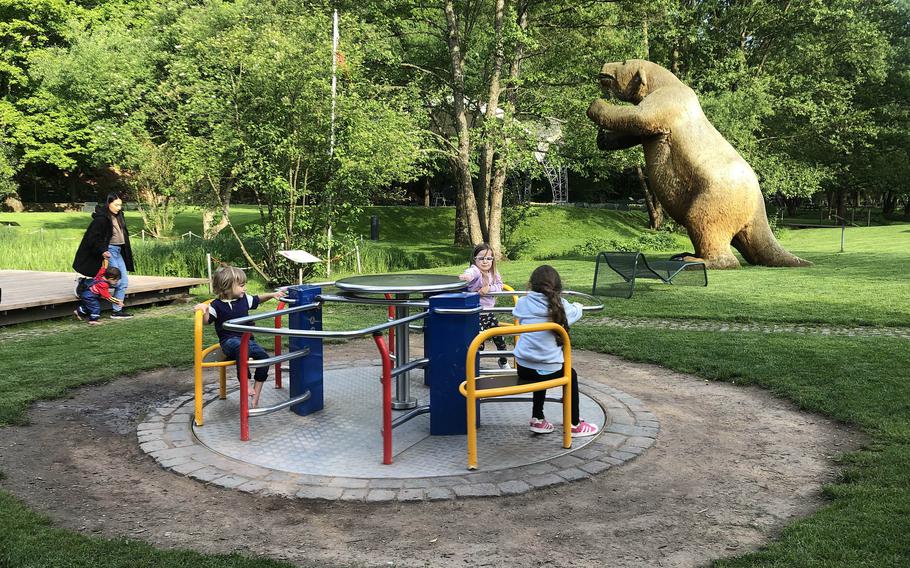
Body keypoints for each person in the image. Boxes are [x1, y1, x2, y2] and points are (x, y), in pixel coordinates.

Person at [511, 265, 599, 437]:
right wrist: (579, 305)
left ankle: (537, 418)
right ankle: (574, 423)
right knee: (569, 374)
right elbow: (576, 311)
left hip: (524, 368)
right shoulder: (562, 307)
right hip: (549, 369)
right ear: (558, 287)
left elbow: (517, 312)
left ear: (531, 285)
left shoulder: (522, 303)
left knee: (539, 365)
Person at [194, 266, 283, 409]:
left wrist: (272, 295)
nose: (245, 288)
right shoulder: (216, 305)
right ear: (227, 287)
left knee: (264, 358)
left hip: (248, 341)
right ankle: (245, 382)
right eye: (241, 286)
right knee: (241, 349)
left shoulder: (244, 299)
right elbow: (206, 321)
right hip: (229, 342)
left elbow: (257, 299)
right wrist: (203, 310)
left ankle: (256, 396)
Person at [73, 192, 135, 319]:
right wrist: (102, 250)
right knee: (114, 280)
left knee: (123, 282)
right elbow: (93, 237)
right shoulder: (101, 219)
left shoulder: (119, 216)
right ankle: (85, 285)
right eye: (116, 205)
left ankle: (117, 311)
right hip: (109, 250)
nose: (119, 208)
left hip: (118, 251)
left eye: (120, 205)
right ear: (109, 203)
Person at [458, 243, 510, 369]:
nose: (485, 261)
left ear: (493, 260)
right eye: (481, 258)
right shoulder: (475, 270)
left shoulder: (494, 272)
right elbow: (470, 273)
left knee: (499, 338)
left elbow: (500, 285)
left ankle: (503, 361)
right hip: (476, 314)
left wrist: (489, 288)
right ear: (474, 259)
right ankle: (474, 366)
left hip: (489, 314)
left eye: (488, 258)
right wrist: (466, 277)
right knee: (478, 341)